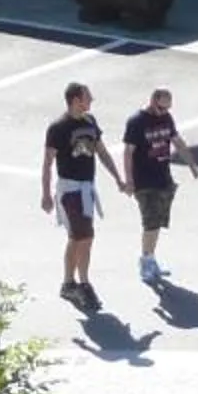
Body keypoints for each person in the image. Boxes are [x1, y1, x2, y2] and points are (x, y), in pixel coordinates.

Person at [38, 82, 124, 312]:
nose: (92, 100)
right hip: (70, 190)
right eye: (88, 97)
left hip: (87, 187)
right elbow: (47, 163)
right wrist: (46, 194)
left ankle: (70, 283)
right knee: (84, 236)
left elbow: (102, 152)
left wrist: (118, 178)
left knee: (78, 238)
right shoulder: (58, 127)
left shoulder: (90, 122)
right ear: (76, 100)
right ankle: (82, 283)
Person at [121, 87, 198, 287]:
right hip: (144, 180)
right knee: (151, 222)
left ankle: (150, 258)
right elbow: (128, 152)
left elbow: (177, 140)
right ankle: (146, 262)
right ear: (152, 101)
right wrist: (129, 180)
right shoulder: (137, 122)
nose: (164, 112)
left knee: (158, 222)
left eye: (167, 109)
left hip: (163, 178)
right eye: (161, 108)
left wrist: (191, 163)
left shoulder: (167, 118)